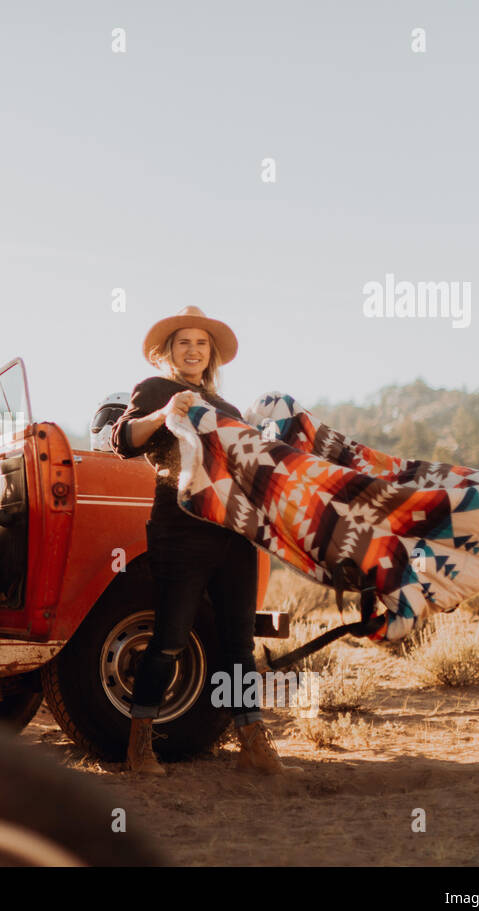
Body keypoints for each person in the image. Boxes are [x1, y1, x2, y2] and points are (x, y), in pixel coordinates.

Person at [112, 306, 298, 775]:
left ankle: (253, 743)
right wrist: (160, 415)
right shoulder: (155, 391)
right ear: (168, 352)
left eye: (200, 343)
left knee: (238, 645)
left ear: (210, 353)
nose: (193, 350)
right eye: (183, 343)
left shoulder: (231, 411)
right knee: (171, 637)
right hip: (180, 529)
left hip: (233, 534)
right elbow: (124, 440)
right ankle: (140, 747)